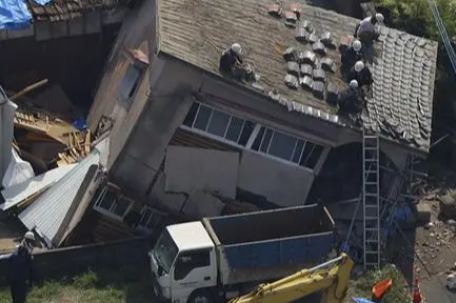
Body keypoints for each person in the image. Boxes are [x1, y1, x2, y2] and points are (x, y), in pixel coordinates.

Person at [8, 231, 36, 303]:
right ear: (30, 241)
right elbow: (30, 267)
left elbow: (10, 260)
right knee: (20, 300)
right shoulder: (26, 252)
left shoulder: (17, 249)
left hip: (13, 279)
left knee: (15, 299)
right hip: (21, 281)